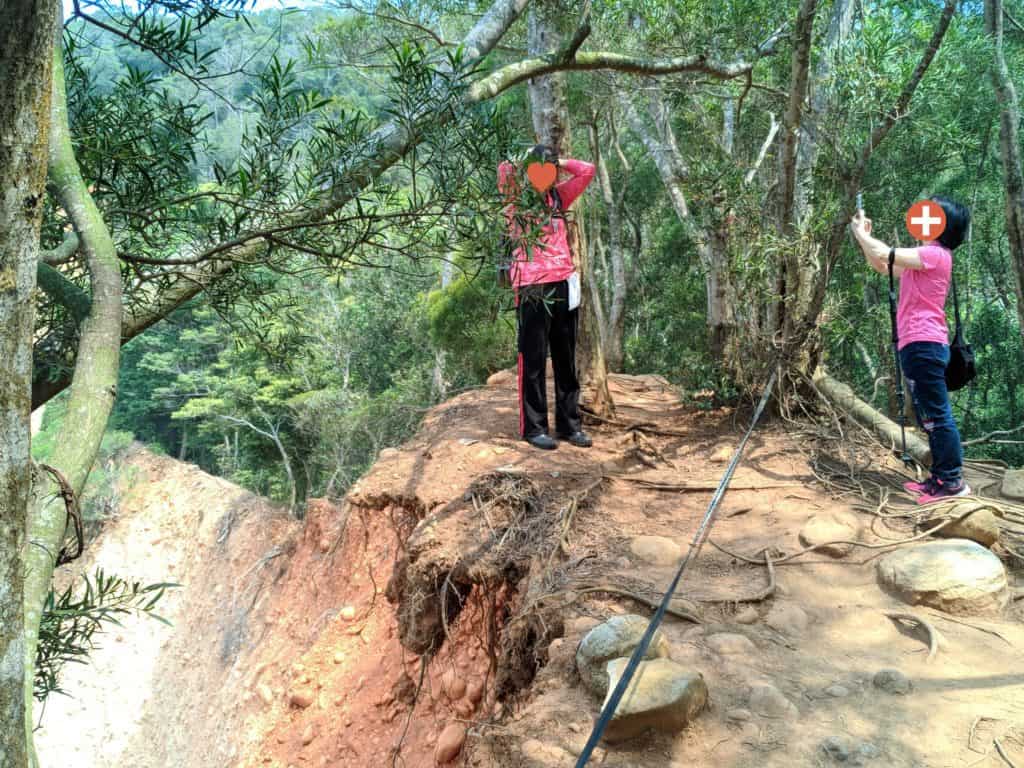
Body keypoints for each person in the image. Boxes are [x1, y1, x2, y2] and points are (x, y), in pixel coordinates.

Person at [850, 196, 971, 503]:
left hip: (925, 343)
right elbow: (880, 264)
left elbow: (883, 251)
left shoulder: (935, 254)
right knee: (929, 415)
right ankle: (940, 478)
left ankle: (953, 482)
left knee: (938, 416)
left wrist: (863, 235)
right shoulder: (922, 261)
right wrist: (863, 237)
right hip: (917, 344)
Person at [498, 145, 595, 450]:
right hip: (531, 285)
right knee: (534, 359)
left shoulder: (558, 198)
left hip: (564, 283)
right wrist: (528, 155)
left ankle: (569, 425)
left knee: (565, 359)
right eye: (540, 169)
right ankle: (535, 428)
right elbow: (504, 169)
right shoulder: (516, 201)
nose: (545, 175)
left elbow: (588, 170)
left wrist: (560, 160)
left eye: (549, 170)